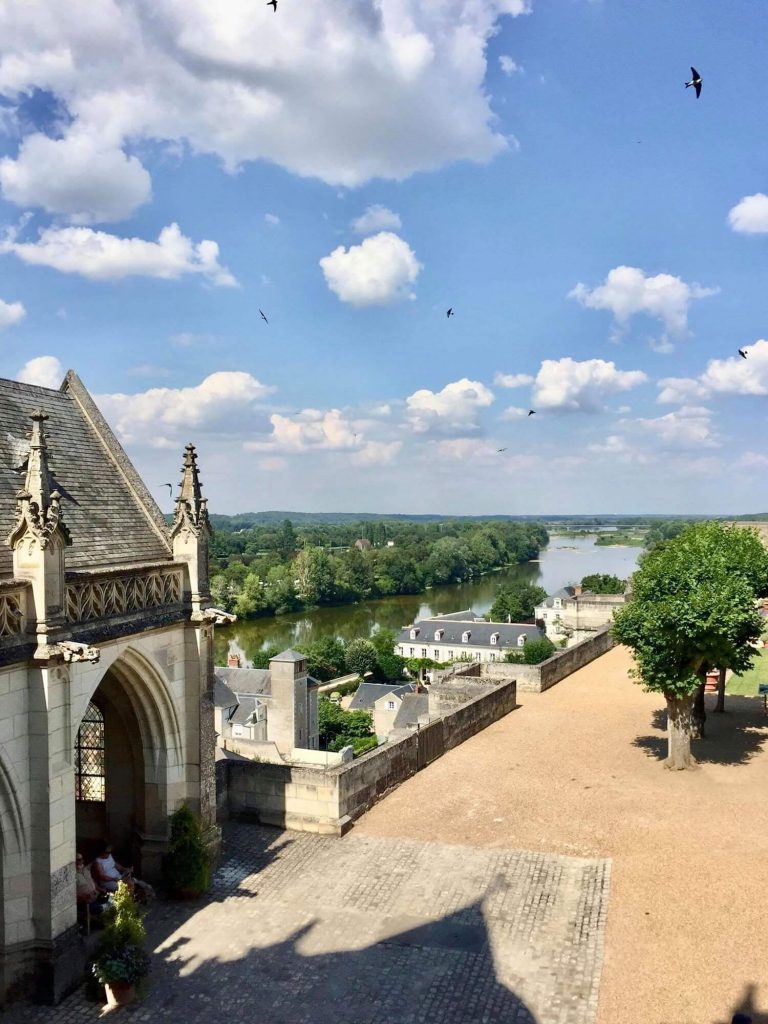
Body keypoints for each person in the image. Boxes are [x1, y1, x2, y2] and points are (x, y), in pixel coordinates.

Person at [75, 853, 108, 919]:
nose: (81, 861)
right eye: (78, 860)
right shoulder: (72, 875)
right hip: (86, 902)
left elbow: (92, 881)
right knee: (102, 909)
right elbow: (72, 895)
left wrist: (100, 889)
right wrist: (84, 898)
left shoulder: (86, 869)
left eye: (81, 859)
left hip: (96, 895)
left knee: (111, 902)